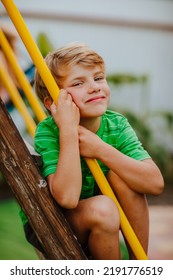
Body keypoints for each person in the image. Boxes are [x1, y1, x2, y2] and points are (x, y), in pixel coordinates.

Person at [34, 42, 164, 260]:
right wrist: (68, 132)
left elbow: (155, 184)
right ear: (52, 103)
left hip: (102, 214)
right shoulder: (49, 131)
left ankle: (139, 265)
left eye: (98, 77)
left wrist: (100, 149)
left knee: (122, 177)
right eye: (78, 83)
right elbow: (67, 199)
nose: (94, 87)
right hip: (59, 220)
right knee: (103, 208)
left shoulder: (116, 125)